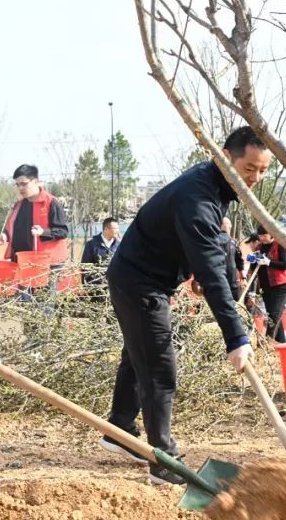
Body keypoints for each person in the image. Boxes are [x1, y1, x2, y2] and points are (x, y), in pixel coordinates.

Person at [98, 127, 268, 485]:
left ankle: (119, 430)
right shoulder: (199, 200)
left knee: (138, 353)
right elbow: (214, 273)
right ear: (225, 157)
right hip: (138, 282)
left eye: (262, 170)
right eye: (249, 168)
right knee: (159, 367)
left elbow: (212, 246)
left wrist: (193, 270)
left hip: (144, 276)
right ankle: (164, 462)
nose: (254, 178)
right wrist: (236, 338)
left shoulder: (212, 186)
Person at [1, 164, 69, 292]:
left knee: (45, 302)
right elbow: (12, 226)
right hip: (26, 261)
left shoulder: (51, 202)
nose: (20, 188)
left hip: (49, 262)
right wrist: (6, 235)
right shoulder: (19, 204)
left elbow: (63, 231)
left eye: (24, 184)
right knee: (24, 299)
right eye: (17, 185)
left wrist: (44, 232)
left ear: (36, 181)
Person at [254, 225, 286, 342]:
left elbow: (285, 265)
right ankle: (280, 342)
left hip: (280, 286)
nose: (262, 238)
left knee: (273, 317)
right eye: (260, 236)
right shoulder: (259, 247)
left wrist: (269, 262)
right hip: (266, 287)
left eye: (264, 235)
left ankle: (267, 343)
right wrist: (253, 260)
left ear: (271, 234)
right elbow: (255, 266)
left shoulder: (279, 245)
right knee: (273, 315)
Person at [80, 217, 121, 290]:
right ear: (106, 229)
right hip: (96, 287)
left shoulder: (119, 245)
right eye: (115, 229)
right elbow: (85, 266)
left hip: (115, 288)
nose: (117, 231)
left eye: (118, 228)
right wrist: (87, 286)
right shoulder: (91, 245)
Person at [219, 217, 246, 302]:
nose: (229, 227)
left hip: (230, 283)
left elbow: (239, 261)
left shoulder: (233, 243)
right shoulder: (213, 241)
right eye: (228, 225)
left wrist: (244, 278)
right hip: (221, 283)